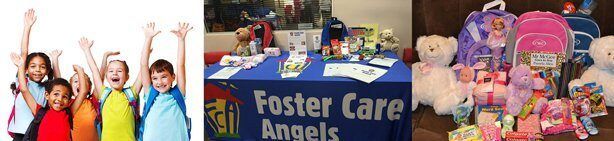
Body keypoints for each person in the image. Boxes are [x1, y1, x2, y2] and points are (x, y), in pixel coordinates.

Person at [140, 22, 191, 141]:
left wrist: (181, 40)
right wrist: (148, 38)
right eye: (155, 78)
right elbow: (143, 65)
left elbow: (181, 65)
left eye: (164, 77)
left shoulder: (178, 93)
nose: (159, 82)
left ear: (173, 77)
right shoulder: (150, 93)